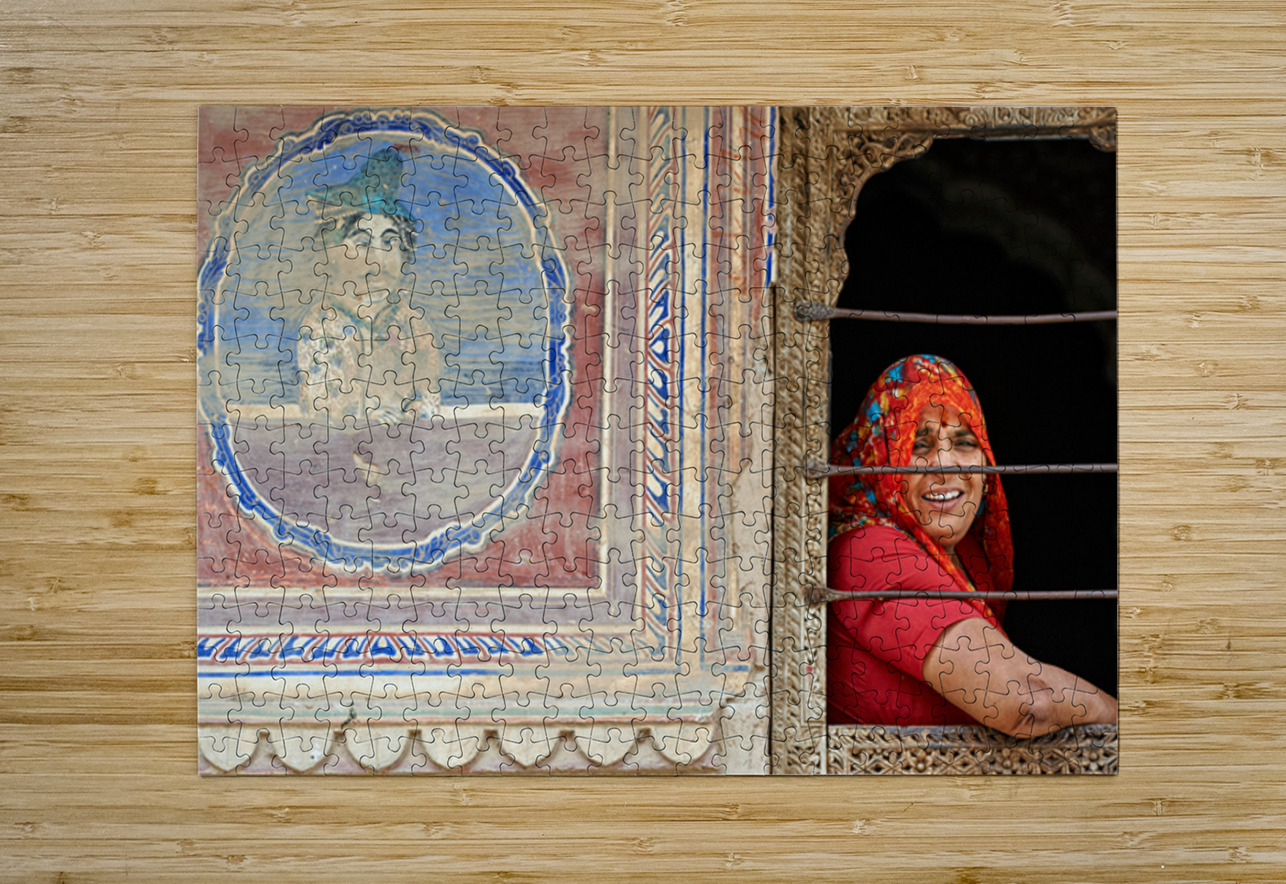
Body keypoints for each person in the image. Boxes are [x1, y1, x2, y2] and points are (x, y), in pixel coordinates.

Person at [827, 354, 1117, 737]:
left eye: (965, 442)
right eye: (918, 445)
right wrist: (1122, 721)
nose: (945, 464)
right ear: (878, 458)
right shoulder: (869, 550)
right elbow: (1026, 701)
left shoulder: (968, 558)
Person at [298, 147, 441, 426]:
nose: (378, 258)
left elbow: (429, 401)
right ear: (332, 253)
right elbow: (323, 409)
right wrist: (370, 417)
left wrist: (411, 413)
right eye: (362, 242)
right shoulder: (322, 326)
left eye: (390, 242)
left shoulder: (414, 325)